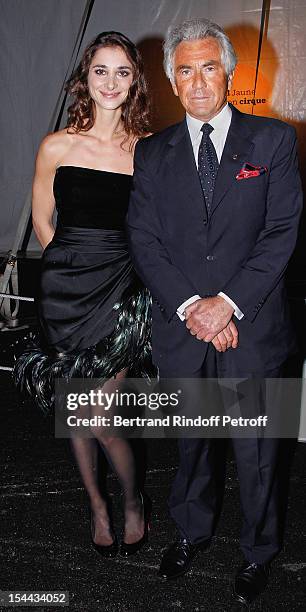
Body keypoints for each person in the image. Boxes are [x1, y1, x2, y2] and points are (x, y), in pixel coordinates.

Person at [127, 18, 302, 605]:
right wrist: (190, 309)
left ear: (228, 72)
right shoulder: (152, 153)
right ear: (172, 82)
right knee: (193, 443)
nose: (198, 81)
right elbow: (144, 239)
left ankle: (258, 552)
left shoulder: (272, 141)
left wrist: (225, 307)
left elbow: (280, 233)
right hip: (183, 332)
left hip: (249, 331)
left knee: (255, 452)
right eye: (185, 70)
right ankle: (191, 531)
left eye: (208, 67)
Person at [14, 31, 154, 558]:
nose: (111, 82)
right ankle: (97, 505)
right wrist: (68, 267)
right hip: (65, 289)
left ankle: (133, 500)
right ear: (85, 78)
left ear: (135, 80)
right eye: (101, 70)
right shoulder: (57, 145)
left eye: (122, 71)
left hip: (119, 294)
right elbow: (43, 220)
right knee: (75, 410)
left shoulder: (147, 152)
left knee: (101, 414)